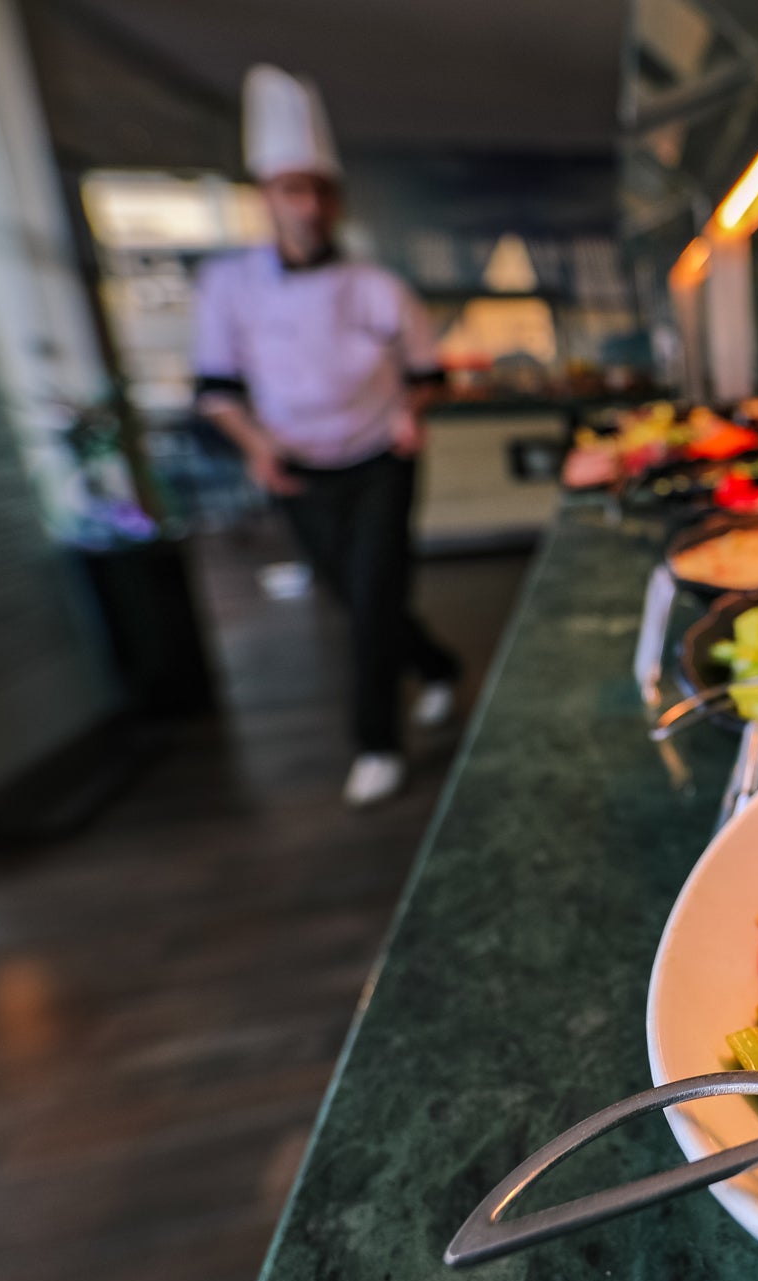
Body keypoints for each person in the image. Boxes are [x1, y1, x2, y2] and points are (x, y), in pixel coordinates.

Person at [193, 65, 459, 808]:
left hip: (380, 457)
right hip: (298, 465)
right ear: (267, 196)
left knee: (375, 592)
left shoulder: (376, 286)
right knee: (356, 596)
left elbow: (427, 371)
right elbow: (216, 390)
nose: (308, 207)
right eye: (292, 190)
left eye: (319, 191)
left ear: (335, 200)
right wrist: (257, 447)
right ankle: (438, 666)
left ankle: (376, 743)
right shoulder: (229, 287)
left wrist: (410, 412)